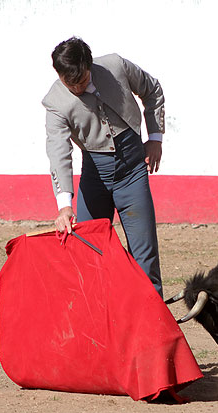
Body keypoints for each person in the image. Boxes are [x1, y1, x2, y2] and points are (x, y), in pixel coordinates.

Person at [42, 36, 165, 297]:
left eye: (83, 80)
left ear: (90, 65)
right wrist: (64, 205)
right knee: (89, 254)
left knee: (145, 257)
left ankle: (152, 330)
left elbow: (152, 89)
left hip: (133, 172)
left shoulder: (115, 66)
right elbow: (58, 150)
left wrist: (154, 138)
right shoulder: (55, 101)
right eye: (69, 83)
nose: (76, 88)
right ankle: (99, 329)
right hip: (95, 177)